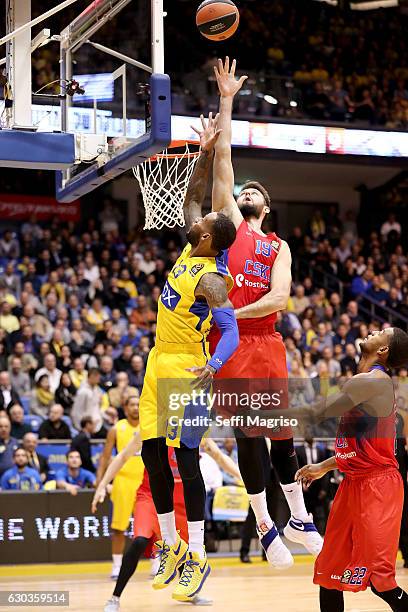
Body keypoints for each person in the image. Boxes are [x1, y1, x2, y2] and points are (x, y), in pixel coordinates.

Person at [209, 57, 322, 569]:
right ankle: (264, 522)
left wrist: (238, 308)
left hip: (265, 339)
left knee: (281, 432)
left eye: (255, 191)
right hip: (232, 345)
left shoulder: (278, 246)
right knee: (247, 433)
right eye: (243, 189)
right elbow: (227, 160)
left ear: (267, 206)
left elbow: (281, 299)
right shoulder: (233, 224)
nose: (247, 190)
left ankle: (298, 518)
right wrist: (227, 100)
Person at [138, 112, 238, 602]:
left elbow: (232, 331)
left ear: (208, 238)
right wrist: (204, 152)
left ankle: (197, 554)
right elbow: (192, 196)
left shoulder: (211, 278)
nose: (192, 217)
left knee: (187, 459)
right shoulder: (189, 250)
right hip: (159, 363)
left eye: (200, 222)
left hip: (191, 370)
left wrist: (213, 367)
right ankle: (171, 545)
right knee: (151, 454)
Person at [296, 327, 408, 612]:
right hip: (354, 482)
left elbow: (316, 413)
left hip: (379, 487)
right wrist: (323, 466)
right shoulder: (366, 385)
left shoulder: (372, 381)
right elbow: (359, 447)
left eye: (381, 332)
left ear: (383, 350)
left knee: (380, 580)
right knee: (329, 572)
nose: (373, 330)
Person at [91, 430, 241, 612]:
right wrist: (101, 485)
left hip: (180, 499)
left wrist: (243, 478)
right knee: (140, 540)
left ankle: (189, 593)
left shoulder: (191, 427)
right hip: (150, 496)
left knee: (183, 549)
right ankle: (115, 598)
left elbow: (218, 455)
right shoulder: (151, 425)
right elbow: (122, 456)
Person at [96, 395, 145, 579]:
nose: (135, 408)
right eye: (132, 404)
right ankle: (117, 566)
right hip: (123, 481)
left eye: (138, 405)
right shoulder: (116, 429)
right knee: (119, 527)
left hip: (145, 481)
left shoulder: (150, 425)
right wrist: (101, 482)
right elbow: (105, 457)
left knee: (154, 527)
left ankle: (157, 564)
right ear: (125, 408)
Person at [71, 368, 105, 433]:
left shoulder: (97, 390)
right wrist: (82, 427)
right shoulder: (82, 392)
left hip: (97, 423)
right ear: (92, 376)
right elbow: (76, 412)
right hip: (85, 426)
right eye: (97, 377)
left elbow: (97, 408)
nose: (99, 380)